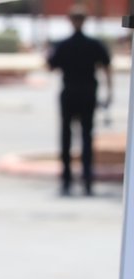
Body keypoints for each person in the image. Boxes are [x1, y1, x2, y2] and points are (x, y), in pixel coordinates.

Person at [48, 4, 112, 196]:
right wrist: (109, 92)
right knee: (85, 138)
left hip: (70, 94)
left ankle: (68, 180)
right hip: (86, 95)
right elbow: (107, 68)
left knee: (69, 138)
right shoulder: (93, 44)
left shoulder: (63, 44)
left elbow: (51, 66)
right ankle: (86, 180)